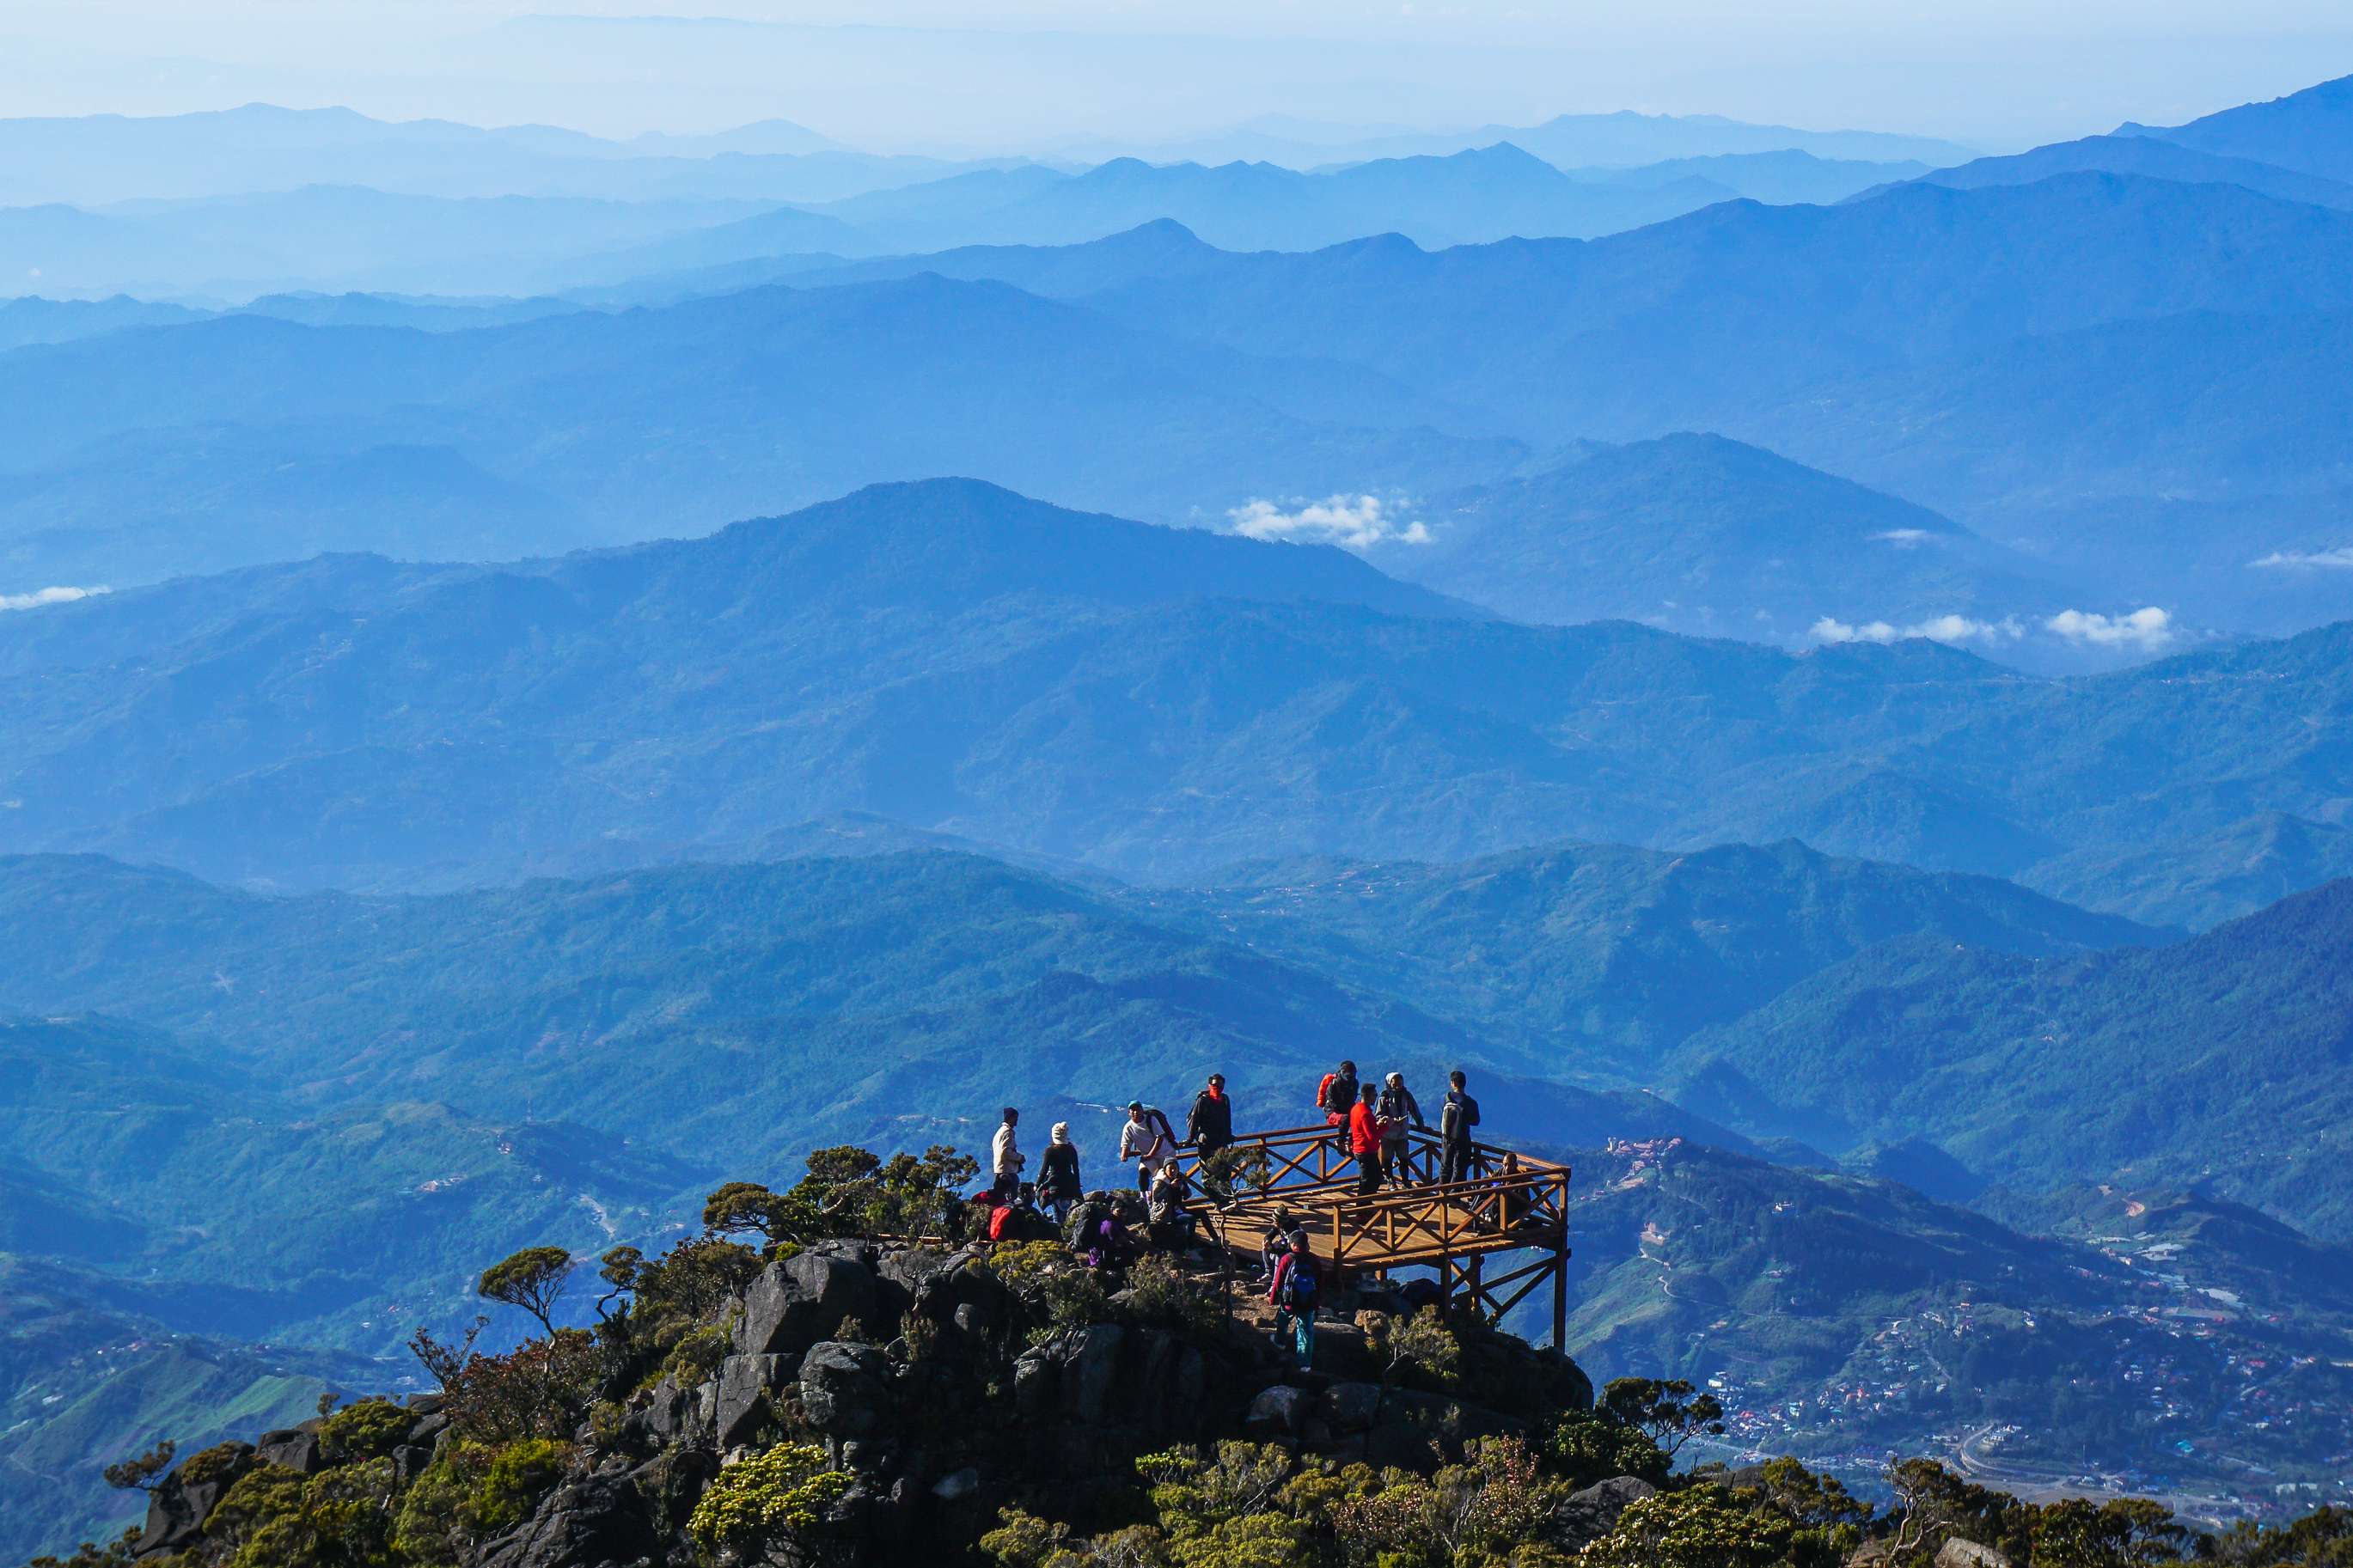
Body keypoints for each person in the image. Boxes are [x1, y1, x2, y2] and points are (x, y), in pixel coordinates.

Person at [1267, 1230, 1319, 1368]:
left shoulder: (1287, 1259)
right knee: (1306, 1331)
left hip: (1289, 1302)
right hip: (1308, 1302)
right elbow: (1320, 1283)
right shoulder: (1314, 1259)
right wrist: (1317, 1303)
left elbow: (1278, 1282)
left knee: (1283, 1320)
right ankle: (1305, 1364)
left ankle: (1280, 1342)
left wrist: (1273, 1300)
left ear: (1294, 1244)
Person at [1378, 1071, 1427, 1187]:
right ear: (1389, 1083)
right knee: (1387, 1159)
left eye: (1400, 1083)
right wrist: (1391, 1120)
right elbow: (1379, 1116)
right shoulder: (1384, 1097)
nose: (1398, 1086)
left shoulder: (1406, 1095)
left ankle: (1405, 1181)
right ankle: (1390, 1181)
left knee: (1404, 1158)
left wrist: (1421, 1125)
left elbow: (1415, 1110)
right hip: (1387, 1134)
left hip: (1402, 1134)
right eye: (1395, 1084)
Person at [1120, 1099, 1180, 1193]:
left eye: (1138, 1109)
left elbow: (1159, 1138)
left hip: (1165, 1153)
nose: (1135, 1112)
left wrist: (1150, 1154)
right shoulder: (1128, 1127)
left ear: (1142, 1110)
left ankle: (1174, 1201)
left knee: (1168, 1178)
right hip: (1150, 1156)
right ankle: (1144, 1197)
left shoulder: (1151, 1120)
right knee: (1143, 1172)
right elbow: (1126, 1143)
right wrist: (1124, 1154)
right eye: (1133, 1110)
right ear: (1129, 1113)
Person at [1439, 1070, 1482, 1186]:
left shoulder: (1445, 1098)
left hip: (1447, 1139)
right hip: (1463, 1139)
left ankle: (1442, 1194)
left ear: (1452, 1083)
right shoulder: (1471, 1103)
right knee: (1460, 1168)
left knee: (1445, 1166)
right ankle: (1455, 1197)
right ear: (1465, 1083)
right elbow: (1476, 1121)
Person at [1037, 1120, 1083, 1228]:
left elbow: (1044, 1171)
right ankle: (1068, 1232)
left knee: (1057, 1216)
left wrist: (1037, 1185)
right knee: (1067, 1213)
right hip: (1069, 1186)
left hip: (1055, 1187)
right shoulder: (1071, 1150)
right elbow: (1076, 1170)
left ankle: (1059, 1235)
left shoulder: (1050, 1151)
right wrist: (1077, 1184)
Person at [1146, 1162, 1198, 1252]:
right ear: (1165, 1170)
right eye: (1171, 1169)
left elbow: (1187, 1196)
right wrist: (1170, 1187)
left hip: (1178, 1211)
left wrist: (1183, 1186)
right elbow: (1157, 1198)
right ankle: (1190, 1248)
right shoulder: (1159, 1183)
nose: (1173, 1171)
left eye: (1175, 1169)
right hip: (1166, 1215)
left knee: (1202, 1212)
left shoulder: (1178, 1180)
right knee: (1191, 1218)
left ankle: (1215, 1239)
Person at [1348, 1083, 1384, 1198]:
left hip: (1359, 1149)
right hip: (1366, 1151)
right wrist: (1386, 1126)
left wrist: (1377, 1124)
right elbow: (1372, 1137)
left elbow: (1362, 1128)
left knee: (1369, 1179)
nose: (1376, 1097)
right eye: (1375, 1095)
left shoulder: (1356, 1108)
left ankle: (1365, 1207)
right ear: (1368, 1096)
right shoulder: (1365, 1113)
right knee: (1370, 1181)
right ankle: (1362, 1209)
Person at [1186, 1072, 1234, 1156]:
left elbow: (1227, 1119)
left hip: (1221, 1142)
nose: (1217, 1088)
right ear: (1209, 1085)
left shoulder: (1225, 1100)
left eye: (1220, 1086)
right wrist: (1191, 1138)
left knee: (1223, 1167)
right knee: (1209, 1167)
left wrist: (1228, 1135)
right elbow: (1195, 1120)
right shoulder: (1202, 1101)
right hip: (1206, 1143)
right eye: (1215, 1085)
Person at [991, 1107, 1024, 1202]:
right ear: (1010, 1118)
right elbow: (1005, 1152)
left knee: (999, 1196)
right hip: (1008, 1170)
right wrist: (1019, 1157)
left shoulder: (999, 1132)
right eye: (1015, 1119)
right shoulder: (1008, 1132)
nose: (1016, 1122)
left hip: (999, 1169)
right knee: (1012, 1196)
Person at [1317, 1060, 1360, 1130]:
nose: (1351, 1078)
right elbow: (1333, 1104)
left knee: (1362, 1117)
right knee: (1346, 1119)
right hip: (1332, 1113)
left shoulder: (1354, 1083)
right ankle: (1340, 1140)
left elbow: (1352, 1100)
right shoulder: (1333, 1084)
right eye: (1349, 1076)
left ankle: (1353, 1139)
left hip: (1346, 1111)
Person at [1258, 1209, 1299, 1280]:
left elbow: (1288, 1248)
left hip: (1295, 1248)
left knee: (1279, 1256)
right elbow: (1270, 1235)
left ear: (1280, 1222)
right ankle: (1269, 1273)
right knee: (1265, 1249)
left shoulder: (1292, 1230)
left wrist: (1272, 1249)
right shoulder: (1279, 1226)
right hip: (1285, 1242)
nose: (1273, 1223)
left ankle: (1275, 1281)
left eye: (1275, 1221)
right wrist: (1266, 1241)